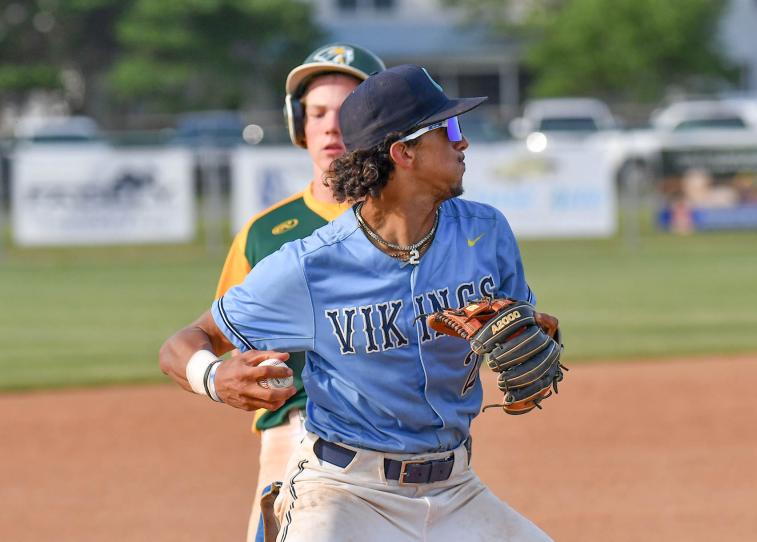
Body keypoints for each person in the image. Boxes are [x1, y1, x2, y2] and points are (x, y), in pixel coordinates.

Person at [160, 64, 553, 541]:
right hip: (345, 493)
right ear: (403, 152)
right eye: (447, 128)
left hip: (456, 490)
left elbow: (526, 327)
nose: (462, 141)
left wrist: (538, 340)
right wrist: (214, 376)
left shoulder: (485, 231)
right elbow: (182, 344)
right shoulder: (311, 266)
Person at [213, 43, 385, 541]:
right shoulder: (265, 234)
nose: (331, 126)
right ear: (298, 124)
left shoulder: (410, 223)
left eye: (347, 111)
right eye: (317, 113)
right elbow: (222, 336)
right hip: (294, 431)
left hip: (398, 433)